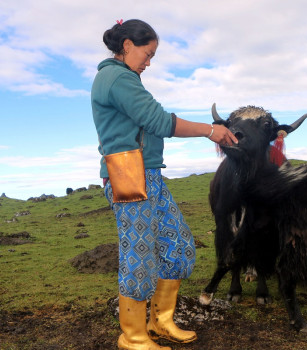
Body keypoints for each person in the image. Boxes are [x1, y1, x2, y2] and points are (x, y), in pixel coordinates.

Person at [91, 19, 237, 350]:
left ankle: (160, 320)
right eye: (148, 53)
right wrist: (209, 130)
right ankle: (133, 336)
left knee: (180, 247)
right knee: (139, 256)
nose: (149, 62)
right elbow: (157, 120)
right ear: (127, 45)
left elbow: (151, 120)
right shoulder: (115, 78)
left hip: (149, 173)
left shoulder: (126, 79)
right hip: (127, 173)